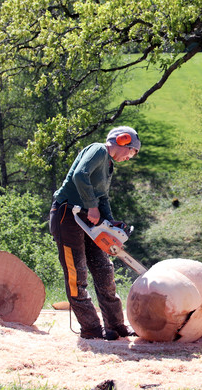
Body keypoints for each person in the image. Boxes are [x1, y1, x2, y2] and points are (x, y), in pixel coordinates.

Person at [48, 126, 140, 340]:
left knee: (104, 271)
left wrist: (111, 225)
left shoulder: (108, 166)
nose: (129, 157)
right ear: (123, 140)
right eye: (131, 152)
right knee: (77, 275)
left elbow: (102, 198)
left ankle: (116, 326)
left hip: (90, 220)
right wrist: (92, 206)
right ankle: (91, 329)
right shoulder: (98, 150)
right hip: (67, 216)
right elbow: (80, 175)